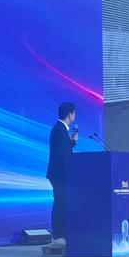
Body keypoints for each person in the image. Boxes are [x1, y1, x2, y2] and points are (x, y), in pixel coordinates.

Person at [46, 102, 78, 244]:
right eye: (74, 113)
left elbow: (63, 151)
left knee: (62, 202)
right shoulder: (59, 130)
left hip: (61, 173)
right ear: (69, 114)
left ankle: (62, 234)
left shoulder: (61, 129)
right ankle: (58, 236)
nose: (74, 115)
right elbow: (60, 155)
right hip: (59, 174)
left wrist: (71, 143)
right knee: (60, 203)